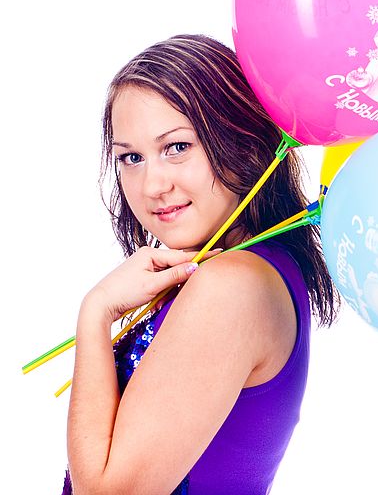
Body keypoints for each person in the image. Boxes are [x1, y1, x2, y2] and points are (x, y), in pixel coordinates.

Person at [61, 34, 339, 494]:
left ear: (243, 141)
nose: (152, 185)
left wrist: (96, 312)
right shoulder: (240, 270)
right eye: (131, 158)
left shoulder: (233, 286)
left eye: (176, 147)